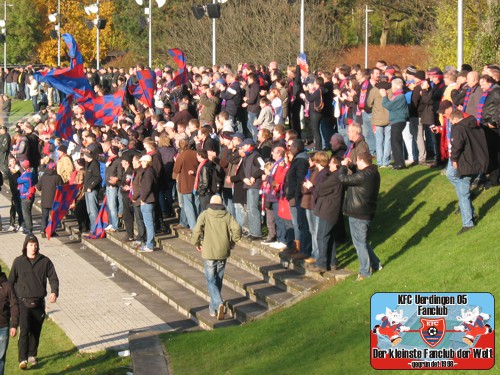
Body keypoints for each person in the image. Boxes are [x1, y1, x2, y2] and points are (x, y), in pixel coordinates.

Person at [9, 234, 59, 370]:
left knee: (36, 330)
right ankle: (22, 359)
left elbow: (53, 278)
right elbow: (11, 282)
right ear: (25, 246)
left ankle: (32, 354)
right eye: (31, 245)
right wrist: (14, 298)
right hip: (23, 302)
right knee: (24, 330)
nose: (33, 247)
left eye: (35, 244)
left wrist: (54, 292)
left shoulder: (45, 261)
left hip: (39, 302)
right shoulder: (18, 262)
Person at [191, 195, 241, 320]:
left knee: (210, 280)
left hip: (209, 251)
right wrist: (233, 241)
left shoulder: (205, 214)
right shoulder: (227, 215)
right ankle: (213, 309)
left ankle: (218, 303)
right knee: (218, 279)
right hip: (223, 251)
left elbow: (196, 230)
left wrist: (196, 243)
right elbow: (237, 228)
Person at [339, 151, 382, 281]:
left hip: (358, 214)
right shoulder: (372, 172)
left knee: (359, 244)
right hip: (364, 212)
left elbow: (343, 179)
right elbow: (358, 173)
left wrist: (343, 167)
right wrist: (351, 166)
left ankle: (364, 272)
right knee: (362, 242)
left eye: (357, 161)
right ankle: (376, 264)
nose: (356, 163)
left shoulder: (364, 176)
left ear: (362, 161)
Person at [447, 110, 489, 234]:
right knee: (461, 189)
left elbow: (457, 145)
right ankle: (470, 215)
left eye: (451, 121)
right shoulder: (476, 126)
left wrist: (454, 159)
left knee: (463, 193)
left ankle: (468, 223)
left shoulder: (458, 128)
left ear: (455, 119)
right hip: (479, 164)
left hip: (467, 165)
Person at [0, 265, 19, 375]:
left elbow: (14, 305)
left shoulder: (7, 286)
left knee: (0, 357)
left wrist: (14, 325)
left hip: (3, 327)